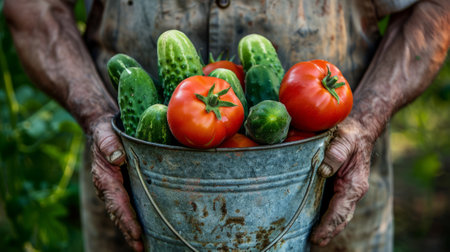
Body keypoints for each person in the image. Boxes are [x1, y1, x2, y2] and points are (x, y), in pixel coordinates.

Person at [4, 0, 449, 251]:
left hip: (327, 192)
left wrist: (364, 121)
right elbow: (33, 10)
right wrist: (99, 115)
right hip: (134, 192)